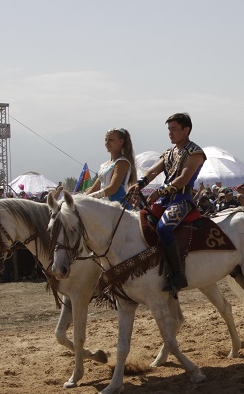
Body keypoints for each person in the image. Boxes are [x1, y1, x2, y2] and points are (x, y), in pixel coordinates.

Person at [132, 113, 206, 293]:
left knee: (164, 228)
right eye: (169, 129)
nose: (170, 133)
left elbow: (183, 179)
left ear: (186, 130)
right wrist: (139, 184)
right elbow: (152, 171)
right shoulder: (168, 153)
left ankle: (178, 275)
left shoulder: (195, 152)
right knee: (142, 222)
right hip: (165, 200)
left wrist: (158, 192)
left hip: (182, 199)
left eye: (174, 129)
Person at [84, 128, 137, 205]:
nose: (107, 143)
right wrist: (81, 198)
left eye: (111, 140)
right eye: (106, 140)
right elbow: (95, 188)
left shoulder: (122, 162)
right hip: (105, 206)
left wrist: (91, 196)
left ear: (121, 142)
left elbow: (113, 188)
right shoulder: (105, 165)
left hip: (118, 207)